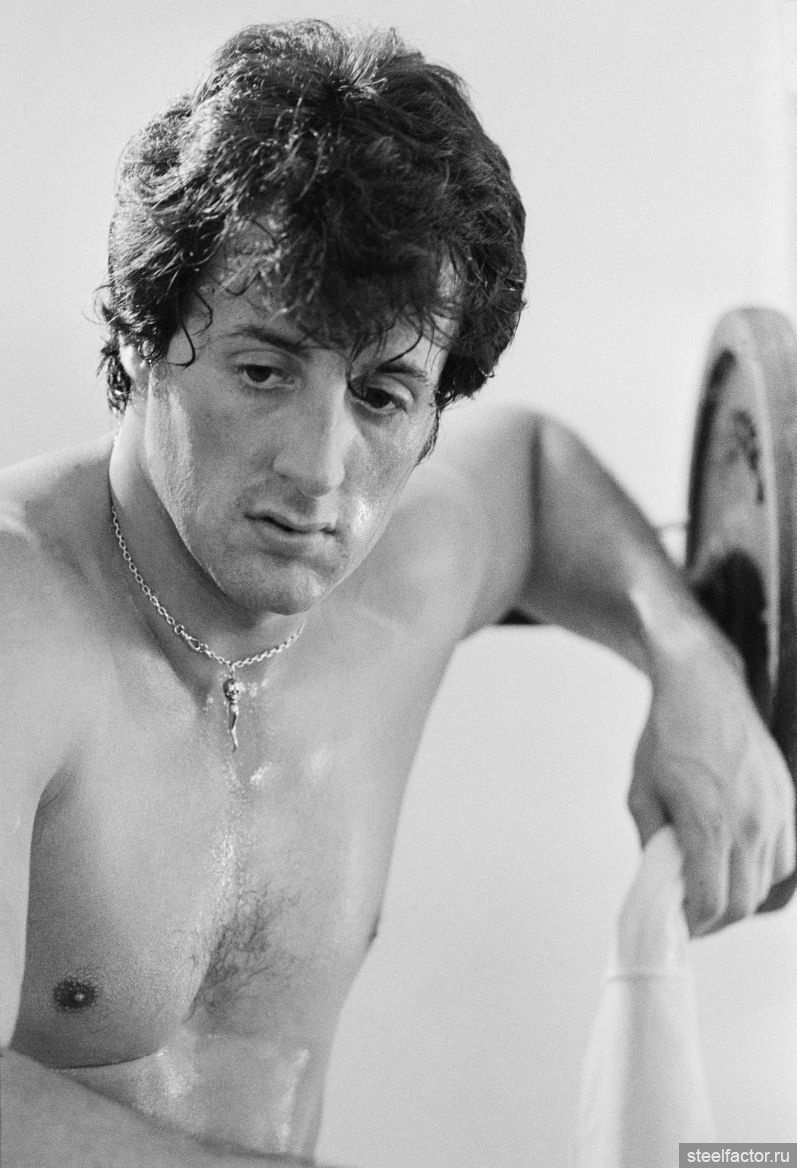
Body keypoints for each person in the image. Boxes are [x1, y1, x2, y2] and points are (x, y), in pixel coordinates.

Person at [0, 19, 793, 1167]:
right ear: (139, 339)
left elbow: (529, 466)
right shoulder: (19, 620)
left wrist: (689, 660)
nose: (320, 470)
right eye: (263, 370)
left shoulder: (396, 577)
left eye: (380, 395)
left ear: (428, 418)